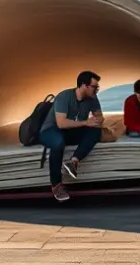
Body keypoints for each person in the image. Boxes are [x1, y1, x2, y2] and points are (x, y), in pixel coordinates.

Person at [38, 71, 103, 202]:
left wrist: (97, 121)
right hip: (51, 130)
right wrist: (86, 122)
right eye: (95, 87)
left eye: (98, 87)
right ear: (84, 85)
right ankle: (56, 185)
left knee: (96, 131)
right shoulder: (64, 97)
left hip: (71, 130)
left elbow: (100, 116)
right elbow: (61, 123)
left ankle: (74, 161)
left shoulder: (92, 99)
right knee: (58, 143)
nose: (97, 90)